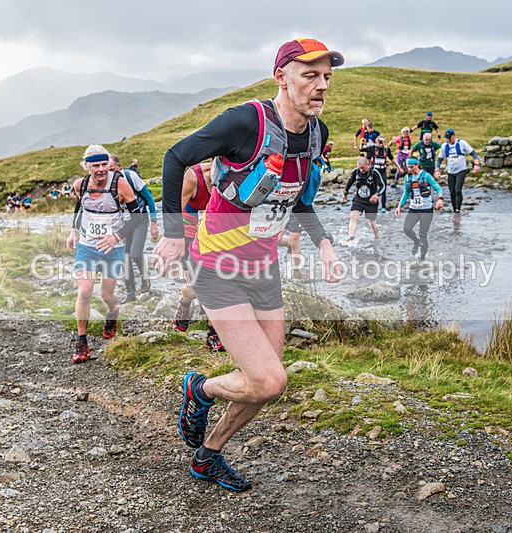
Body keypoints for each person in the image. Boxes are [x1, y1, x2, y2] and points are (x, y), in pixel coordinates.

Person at [153, 37, 343, 492]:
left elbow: (298, 200)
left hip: (263, 269)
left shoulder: (317, 134)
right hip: (217, 268)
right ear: (281, 77)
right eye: (309, 76)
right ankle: (199, 390)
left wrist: (325, 244)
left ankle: (208, 455)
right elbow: (175, 157)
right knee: (271, 381)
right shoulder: (246, 122)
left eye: (327, 78)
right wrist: (175, 234)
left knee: (261, 383)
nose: (321, 87)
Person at [66, 144, 140, 364]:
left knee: (106, 295)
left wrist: (116, 237)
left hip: (113, 248)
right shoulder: (81, 185)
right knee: (85, 291)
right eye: (95, 165)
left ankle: (112, 311)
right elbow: (79, 209)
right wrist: (73, 231)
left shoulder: (120, 184)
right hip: (87, 246)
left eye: (104, 164)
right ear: (87, 166)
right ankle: (81, 341)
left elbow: (138, 217)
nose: (100, 169)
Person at [172, 162, 225, 351]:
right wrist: (172, 239)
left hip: (215, 232)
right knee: (193, 290)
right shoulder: (193, 176)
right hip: (189, 229)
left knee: (218, 283)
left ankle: (213, 335)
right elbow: (173, 211)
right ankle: (185, 301)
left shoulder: (236, 175)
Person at [108, 153, 159, 302]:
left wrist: (154, 223)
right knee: (124, 257)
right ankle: (131, 293)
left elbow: (149, 197)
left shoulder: (130, 177)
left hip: (140, 219)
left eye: (112, 170)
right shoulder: (107, 183)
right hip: (124, 223)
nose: (109, 174)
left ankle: (145, 278)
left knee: (135, 254)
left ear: (118, 166)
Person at [396, 158, 444, 260]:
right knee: (407, 229)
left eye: (411, 167)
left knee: (423, 234)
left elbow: (438, 187)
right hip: (413, 209)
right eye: (408, 167)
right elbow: (406, 193)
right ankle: (416, 242)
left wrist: (440, 199)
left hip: (426, 210)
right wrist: (400, 206)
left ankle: (422, 258)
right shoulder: (407, 178)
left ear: (417, 165)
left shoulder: (426, 176)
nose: (410, 169)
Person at [434, 128, 480, 217]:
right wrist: (437, 170)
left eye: (449, 138)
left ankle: (458, 210)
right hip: (451, 171)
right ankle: (455, 210)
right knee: (452, 192)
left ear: (453, 136)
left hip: (461, 170)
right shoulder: (444, 146)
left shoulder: (462, 143)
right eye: (446, 138)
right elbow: (439, 159)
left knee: (458, 190)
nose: (447, 140)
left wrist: (476, 164)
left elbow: (473, 153)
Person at [341, 156, 385, 245]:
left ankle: (376, 238)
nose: (361, 170)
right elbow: (350, 182)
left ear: (368, 164)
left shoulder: (374, 172)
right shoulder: (356, 172)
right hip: (359, 199)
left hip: (371, 201)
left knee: (372, 222)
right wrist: (345, 193)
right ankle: (351, 236)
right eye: (359, 168)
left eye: (363, 168)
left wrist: (377, 195)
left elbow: (383, 186)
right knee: (353, 215)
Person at [365, 136, 395, 213]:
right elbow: (364, 152)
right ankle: (371, 205)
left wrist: (399, 167)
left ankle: (383, 208)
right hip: (374, 171)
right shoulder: (373, 148)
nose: (381, 145)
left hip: (382, 171)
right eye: (379, 142)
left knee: (383, 188)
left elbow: (392, 158)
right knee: (373, 188)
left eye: (382, 143)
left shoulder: (386, 149)